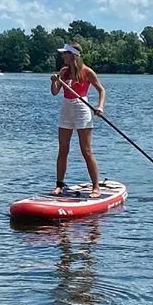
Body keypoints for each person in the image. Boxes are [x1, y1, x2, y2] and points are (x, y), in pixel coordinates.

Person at [50, 42, 106, 197]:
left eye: (65, 53)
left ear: (73, 55)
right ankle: (59, 185)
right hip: (66, 109)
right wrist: (54, 81)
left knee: (86, 151)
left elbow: (101, 90)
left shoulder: (87, 72)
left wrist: (100, 107)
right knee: (63, 149)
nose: (62, 56)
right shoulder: (63, 71)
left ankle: (96, 187)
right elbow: (55, 92)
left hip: (82, 108)